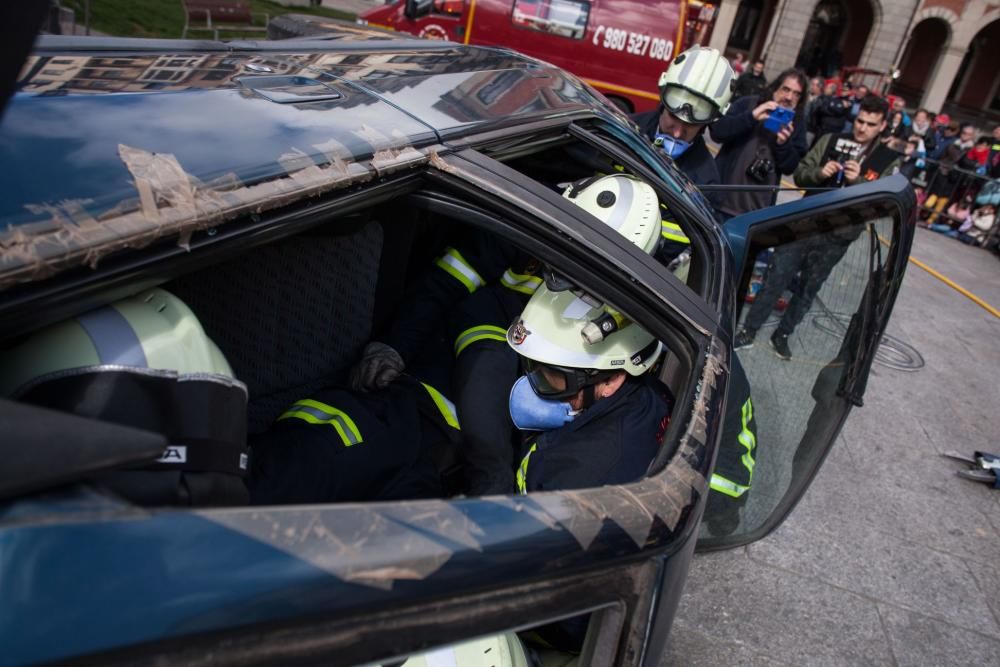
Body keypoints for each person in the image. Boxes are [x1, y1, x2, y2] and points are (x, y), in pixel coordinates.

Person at [733, 94, 900, 359]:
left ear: (882, 126)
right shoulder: (830, 139)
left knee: (809, 288)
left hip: (839, 235)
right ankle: (749, 330)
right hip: (805, 224)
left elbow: (883, 205)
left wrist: (857, 183)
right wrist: (820, 173)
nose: (862, 128)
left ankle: (783, 334)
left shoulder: (887, 159)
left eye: (870, 124)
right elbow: (800, 174)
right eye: (860, 120)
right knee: (776, 278)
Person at [505, 284, 671, 493]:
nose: (536, 381)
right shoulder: (651, 394)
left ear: (611, 380)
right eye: (531, 364)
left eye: (555, 376)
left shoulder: (575, 479)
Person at [630, 45, 735, 215]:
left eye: (690, 125)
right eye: (673, 117)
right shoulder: (624, 129)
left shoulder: (707, 182)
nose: (677, 132)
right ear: (663, 102)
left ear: (707, 123)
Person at [709, 68, 809, 220]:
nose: (789, 97)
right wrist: (751, 117)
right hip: (720, 201)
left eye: (796, 94)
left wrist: (783, 144)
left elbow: (790, 167)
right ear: (775, 88)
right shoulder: (749, 104)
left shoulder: (796, 123)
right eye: (786, 89)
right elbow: (718, 132)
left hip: (755, 214)